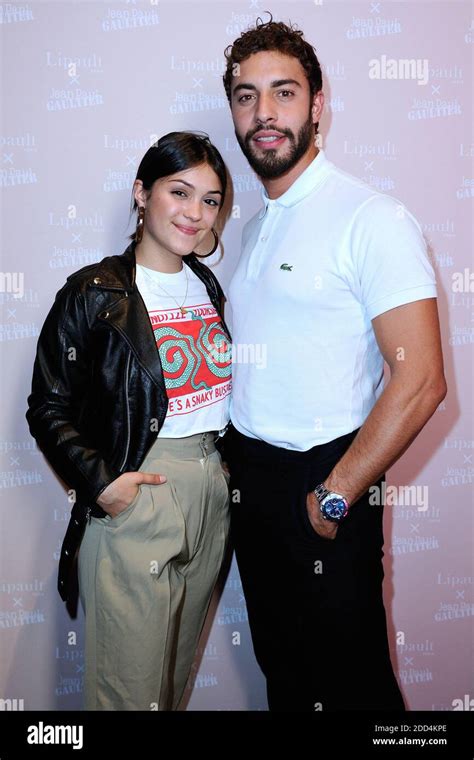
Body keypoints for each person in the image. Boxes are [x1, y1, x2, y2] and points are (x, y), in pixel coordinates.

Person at [221, 17, 447, 711]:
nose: (264, 114)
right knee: (287, 685)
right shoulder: (251, 227)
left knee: (355, 694)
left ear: (317, 105)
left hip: (324, 487)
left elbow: (422, 380)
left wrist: (336, 494)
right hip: (253, 487)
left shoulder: (371, 217)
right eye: (245, 96)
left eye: (283, 93)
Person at [26, 131, 232, 711]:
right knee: (127, 697)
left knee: (169, 688)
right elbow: (47, 404)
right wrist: (102, 483)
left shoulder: (208, 286)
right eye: (180, 192)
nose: (196, 214)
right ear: (142, 193)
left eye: (211, 200)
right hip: (140, 492)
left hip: (210, 491)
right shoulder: (95, 291)